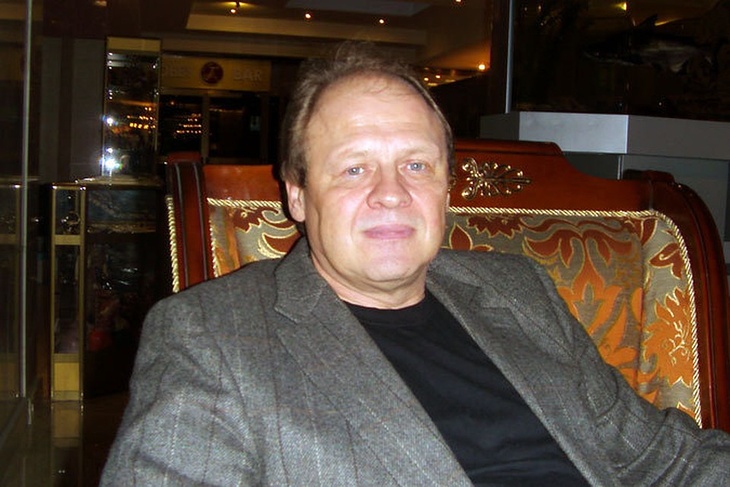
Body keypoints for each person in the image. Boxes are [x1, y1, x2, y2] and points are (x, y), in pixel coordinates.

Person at [101, 43, 730, 486]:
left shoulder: (517, 290)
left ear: (446, 187)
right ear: (297, 194)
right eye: (354, 168)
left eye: (416, 165)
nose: (391, 193)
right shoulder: (211, 335)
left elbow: (664, 461)